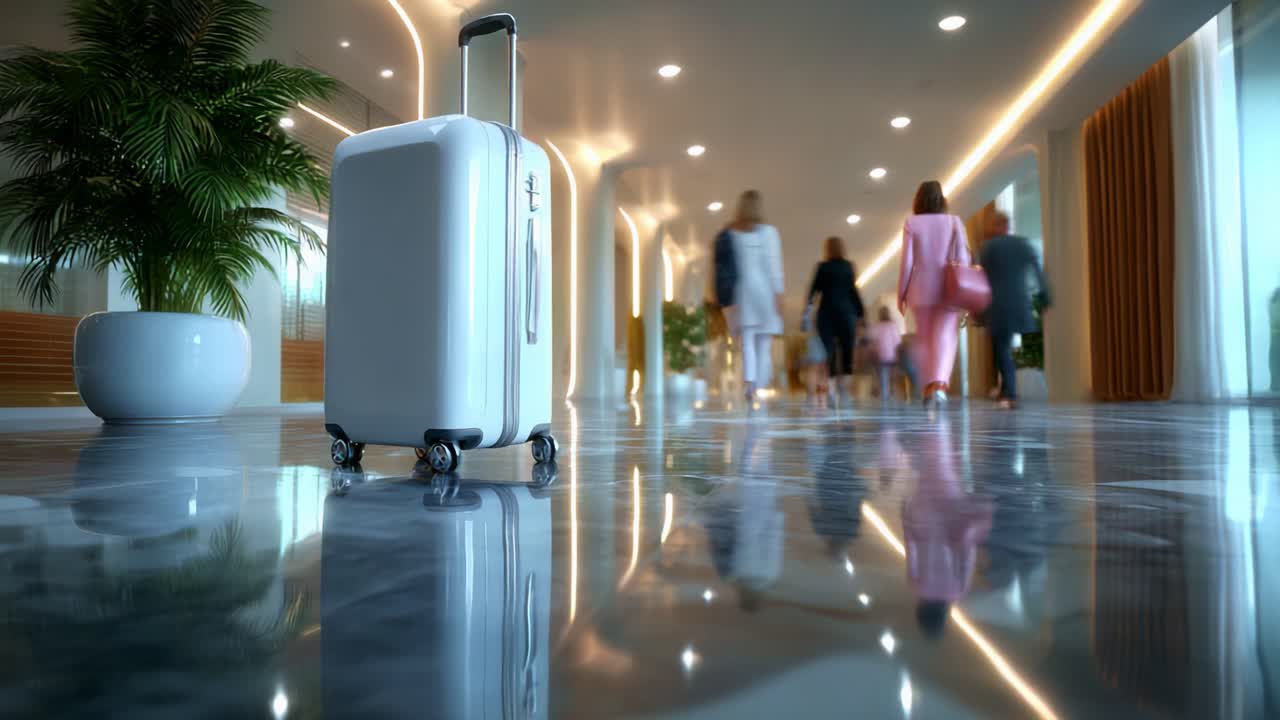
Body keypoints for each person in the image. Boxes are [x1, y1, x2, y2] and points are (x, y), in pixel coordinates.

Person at [897, 180, 969, 408]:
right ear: (942, 200)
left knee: (925, 339)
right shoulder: (954, 222)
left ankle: (928, 385)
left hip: (920, 290)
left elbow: (907, 263)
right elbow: (963, 259)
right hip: (948, 288)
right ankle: (939, 384)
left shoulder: (911, 223)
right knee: (945, 336)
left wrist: (902, 294)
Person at [979, 212, 1051, 408]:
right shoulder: (1023, 244)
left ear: (995, 226)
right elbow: (1037, 269)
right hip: (1020, 303)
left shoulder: (989, 247)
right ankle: (1006, 391)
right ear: (1007, 225)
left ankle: (1009, 394)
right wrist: (1045, 294)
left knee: (1000, 350)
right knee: (1005, 348)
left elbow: (981, 277)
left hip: (999, 304)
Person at [723, 190, 784, 403]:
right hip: (765, 290)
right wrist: (778, 292)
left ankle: (750, 385)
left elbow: (729, 267)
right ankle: (758, 383)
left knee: (747, 339)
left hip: (743, 291)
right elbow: (774, 265)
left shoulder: (732, 234)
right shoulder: (769, 232)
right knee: (764, 341)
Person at [806, 236, 865, 399]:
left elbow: (813, 290)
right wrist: (861, 313)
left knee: (829, 350)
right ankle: (843, 386)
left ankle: (831, 388)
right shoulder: (848, 267)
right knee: (846, 349)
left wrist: (807, 310)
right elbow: (853, 291)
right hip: (847, 313)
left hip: (826, 314)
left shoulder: (822, 267)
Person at [866, 306, 902, 402]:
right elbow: (897, 342)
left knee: (883, 376)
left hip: (881, 356)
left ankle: (884, 395)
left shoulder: (876, 326)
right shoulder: (893, 326)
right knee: (893, 376)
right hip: (893, 356)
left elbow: (872, 343)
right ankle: (893, 394)